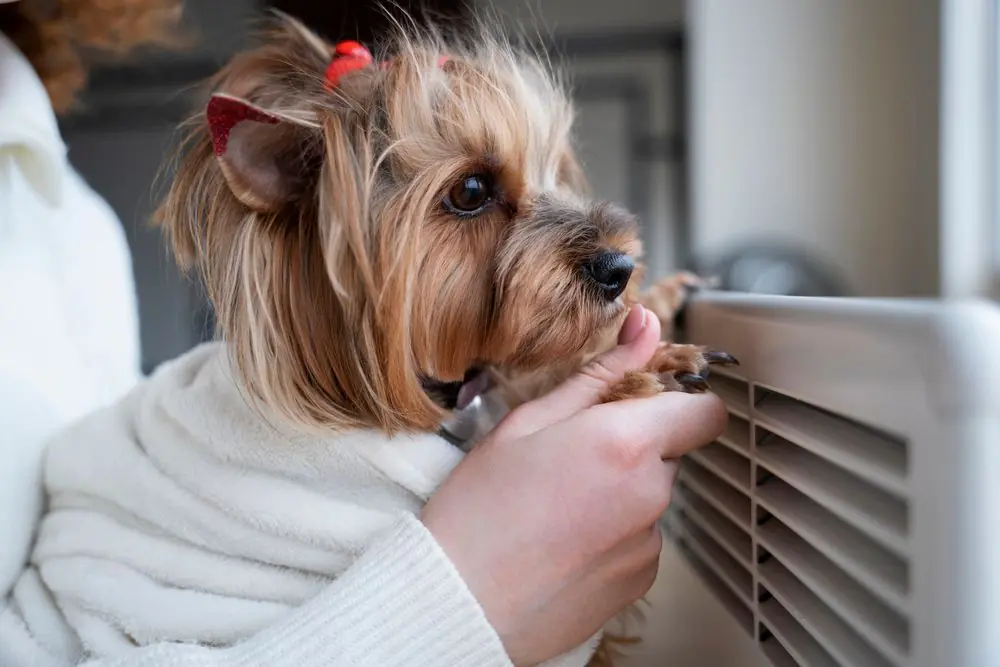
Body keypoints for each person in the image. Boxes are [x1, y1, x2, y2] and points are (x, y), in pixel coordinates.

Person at [0, 2, 728, 664]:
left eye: (553, 175)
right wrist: (465, 599)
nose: (609, 251)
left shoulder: (73, 225)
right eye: (473, 195)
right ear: (310, 227)